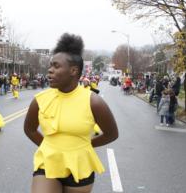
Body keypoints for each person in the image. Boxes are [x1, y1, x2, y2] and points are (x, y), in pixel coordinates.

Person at [24, 33, 118, 193]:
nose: (50, 70)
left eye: (56, 66)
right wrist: (50, 147)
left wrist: (86, 146)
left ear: (73, 70)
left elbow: (112, 134)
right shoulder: (40, 100)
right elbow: (30, 129)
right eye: (50, 66)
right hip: (47, 163)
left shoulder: (94, 102)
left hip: (79, 167)